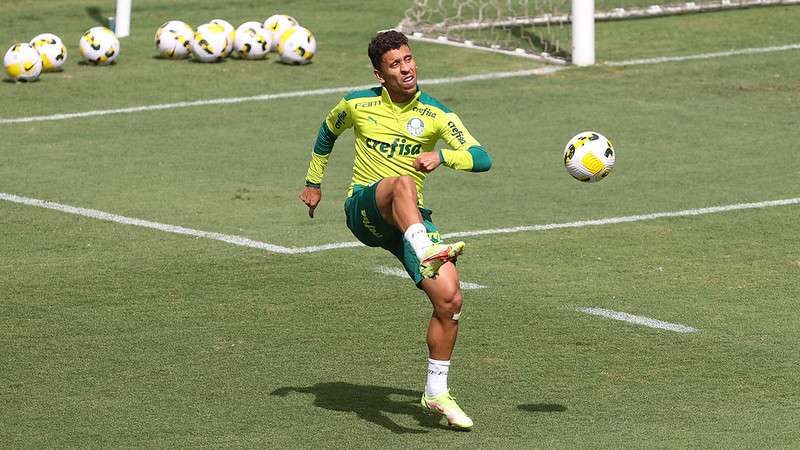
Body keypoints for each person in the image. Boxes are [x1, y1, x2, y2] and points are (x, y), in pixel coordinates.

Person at [298, 30, 492, 430]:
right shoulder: (357, 103)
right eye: (395, 65)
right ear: (379, 74)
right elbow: (327, 131)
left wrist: (443, 156)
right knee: (401, 182)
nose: (406, 69)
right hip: (365, 210)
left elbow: (481, 157)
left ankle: (435, 392)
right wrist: (314, 182)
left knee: (450, 299)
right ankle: (424, 249)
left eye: (408, 59)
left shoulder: (437, 114)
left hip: (409, 220)